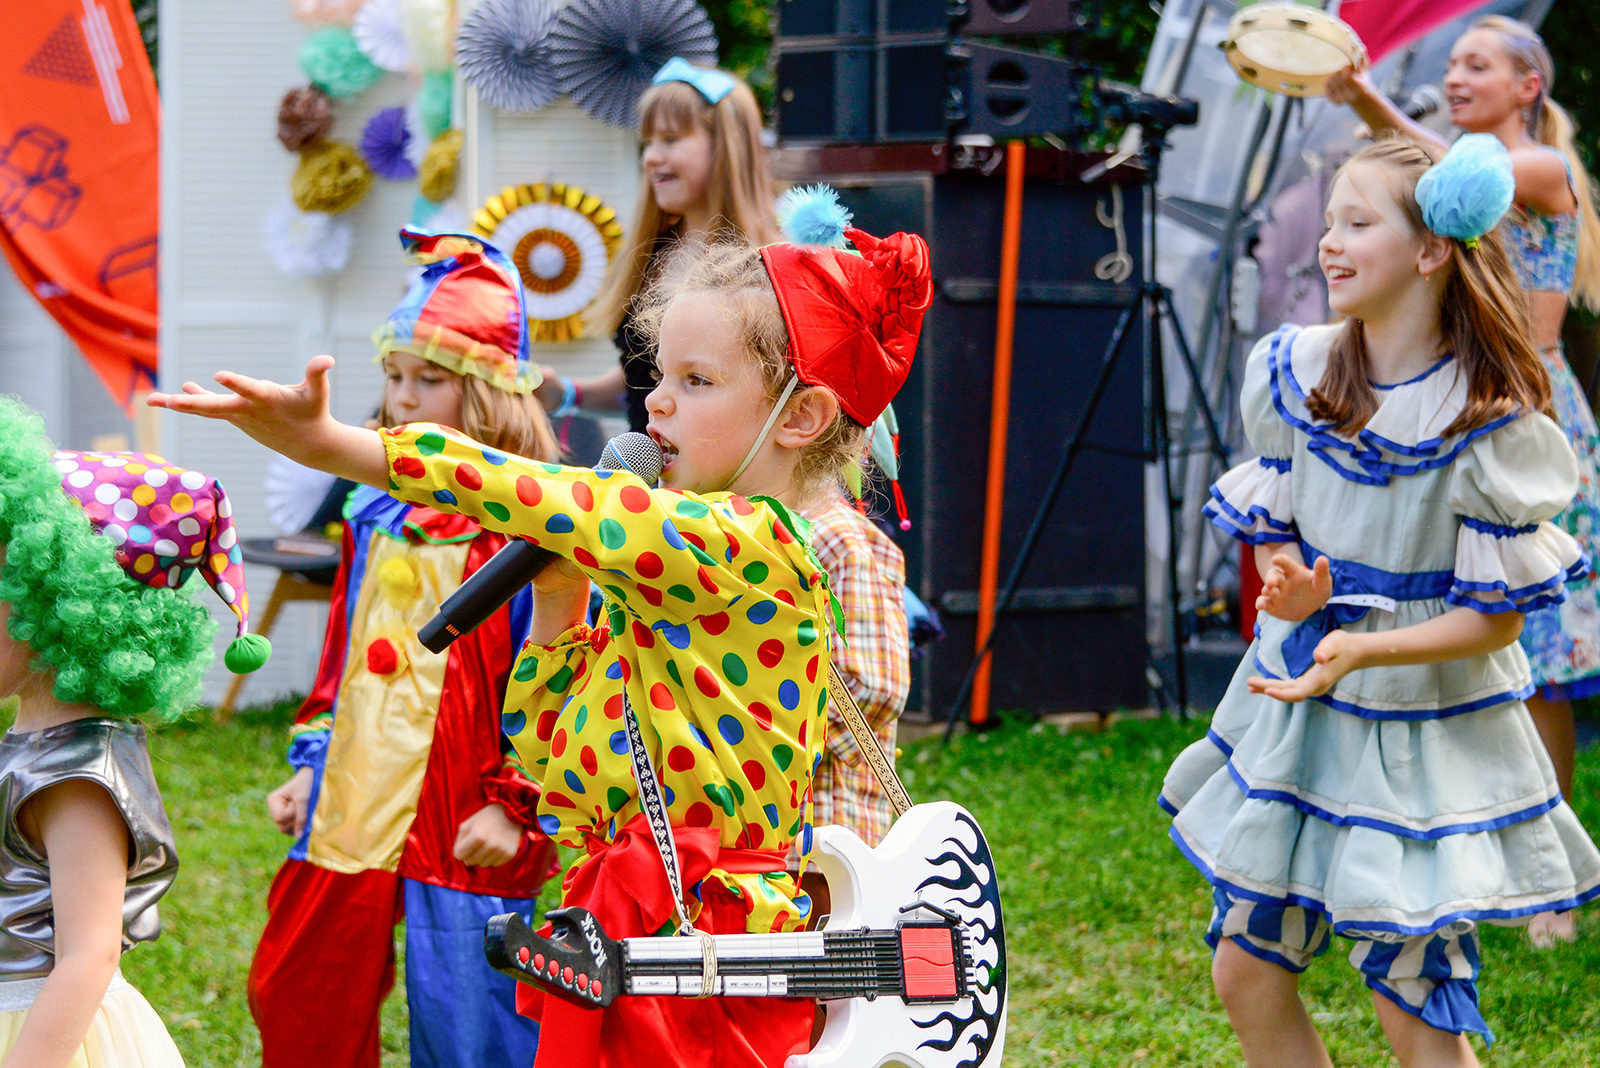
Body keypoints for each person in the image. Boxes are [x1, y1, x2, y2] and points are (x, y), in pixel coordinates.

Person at [149, 205, 931, 1067]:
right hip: (624, 909)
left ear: (802, 415)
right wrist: (558, 602)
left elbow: (542, 494)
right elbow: (556, 761)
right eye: (659, 374)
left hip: (706, 928)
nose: (658, 401)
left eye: (697, 382)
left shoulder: (751, 546)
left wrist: (341, 446)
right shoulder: (667, 575)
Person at [1164, 135, 1600, 1067]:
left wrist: (1363, 649)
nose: (1329, 242)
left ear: (1433, 250)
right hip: (1300, 715)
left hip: (1416, 734)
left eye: (1357, 223)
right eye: (1330, 221)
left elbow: (1495, 620)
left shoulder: (1487, 421)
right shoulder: (1298, 369)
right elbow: (1275, 501)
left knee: (1411, 997)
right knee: (1246, 971)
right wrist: (1287, 576)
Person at [245, 228, 561, 1068]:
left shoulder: (526, 533)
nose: (404, 398)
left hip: (464, 817)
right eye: (393, 377)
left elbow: (559, 679)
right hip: (354, 798)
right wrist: (313, 760)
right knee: (300, 993)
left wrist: (516, 800)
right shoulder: (374, 514)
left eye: (431, 380)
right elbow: (341, 662)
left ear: (491, 396)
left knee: (474, 1025)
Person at [1327, 15, 1600, 944]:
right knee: (1465, 642)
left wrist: (1364, 96)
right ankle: (1458, 859)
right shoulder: (1462, 164)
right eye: (1448, 63)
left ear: (1530, 85)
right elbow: (1417, 190)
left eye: (1476, 63)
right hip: (1462, 409)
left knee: (1544, 664)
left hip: (1533, 411)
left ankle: (1552, 881)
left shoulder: (1545, 172)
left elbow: (1451, 185)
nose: (1453, 76)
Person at [0, 396, 271, 1067]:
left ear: (61, 614)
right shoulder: (34, 747)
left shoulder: (77, 776)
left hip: (50, 1038)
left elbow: (87, 958)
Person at [537, 56, 781, 432]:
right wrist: (566, 395)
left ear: (727, 146)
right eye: (647, 143)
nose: (651, 158)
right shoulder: (651, 256)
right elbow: (644, 384)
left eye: (670, 139)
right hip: (645, 486)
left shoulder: (776, 268)